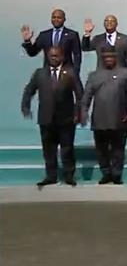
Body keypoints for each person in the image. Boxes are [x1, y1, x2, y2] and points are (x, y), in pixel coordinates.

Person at [21, 46, 83, 187]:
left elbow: (80, 95)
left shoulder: (70, 73)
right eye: (51, 56)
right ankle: (51, 176)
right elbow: (29, 90)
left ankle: (69, 176)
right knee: (49, 149)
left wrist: (78, 112)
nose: (53, 58)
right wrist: (26, 106)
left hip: (66, 118)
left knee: (67, 148)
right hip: (46, 118)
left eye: (56, 56)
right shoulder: (40, 73)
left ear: (62, 57)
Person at [79, 46, 127, 185]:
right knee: (101, 150)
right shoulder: (94, 76)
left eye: (111, 56)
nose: (109, 59)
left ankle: (116, 174)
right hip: (100, 119)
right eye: (106, 57)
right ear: (102, 58)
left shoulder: (125, 73)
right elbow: (86, 97)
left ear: (115, 57)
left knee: (118, 149)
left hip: (119, 118)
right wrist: (83, 112)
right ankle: (106, 173)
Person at [21, 8, 82, 74]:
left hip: (66, 74)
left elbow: (77, 56)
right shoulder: (44, 35)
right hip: (48, 74)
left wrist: (75, 73)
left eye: (59, 18)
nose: (56, 19)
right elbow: (32, 52)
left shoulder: (72, 35)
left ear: (64, 19)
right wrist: (27, 41)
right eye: (54, 17)